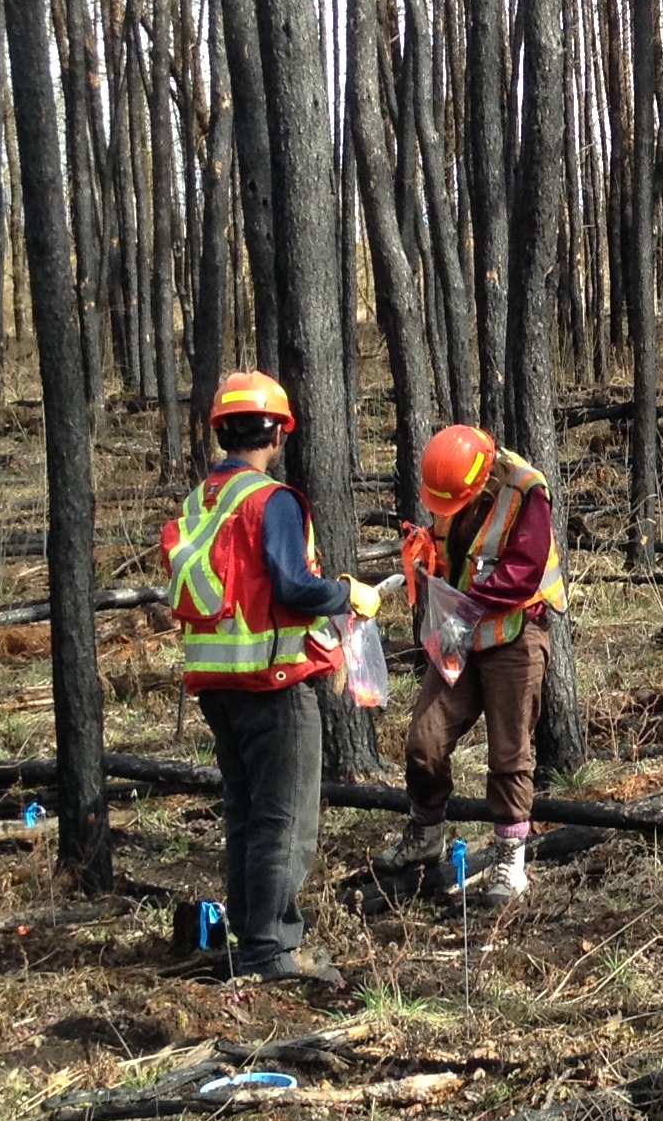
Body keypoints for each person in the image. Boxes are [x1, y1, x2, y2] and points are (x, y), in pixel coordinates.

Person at [163, 370, 380, 993]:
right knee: (285, 820)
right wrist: (346, 593)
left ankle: (250, 936)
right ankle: (270, 949)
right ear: (279, 433)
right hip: (274, 683)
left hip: (218, 684)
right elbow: (292, 586)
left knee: (246, 815)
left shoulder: (201, 502)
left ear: (221, 431)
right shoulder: (270, 500)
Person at [393, 422, 569, 901]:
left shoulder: (527, 491)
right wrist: (428, 560)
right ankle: (426, 833)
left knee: (509, 753)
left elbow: (523, 571)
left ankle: (511, 858)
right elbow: (452, 546)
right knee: (424, 741)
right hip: (458, 630)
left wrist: (464, 597)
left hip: (513, 632)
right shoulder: (450, 483)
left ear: (482, 478)